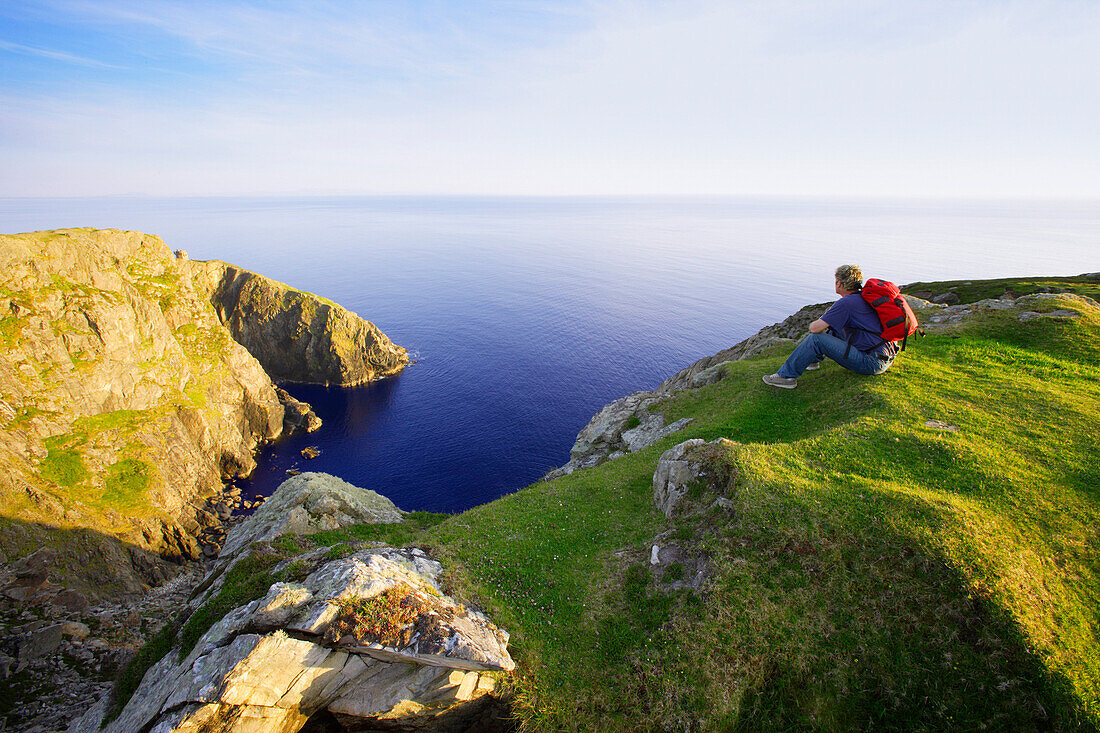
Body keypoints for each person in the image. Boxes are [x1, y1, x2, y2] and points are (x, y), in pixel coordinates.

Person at [762, 264, 896, 389]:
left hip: (871, 363)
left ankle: (786, 377)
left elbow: (815, 329)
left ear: (839, 283)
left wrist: (819, 321)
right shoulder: (862, 298)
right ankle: (812, 361)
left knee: (816, 338)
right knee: (833, 330)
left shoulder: (846, 303)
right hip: (883, 355)